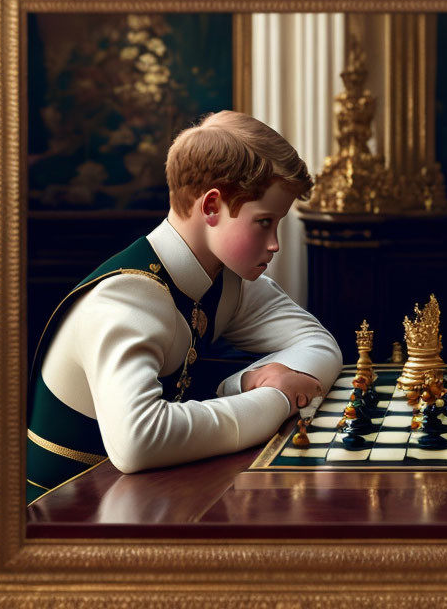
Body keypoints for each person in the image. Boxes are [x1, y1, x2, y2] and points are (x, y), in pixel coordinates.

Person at [26, 111, 342, 505]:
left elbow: (320, 345)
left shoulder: (228, 282)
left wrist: (245, 382)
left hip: (146, 500)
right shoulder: (124, 299)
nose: (275, 243)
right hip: (62, 522)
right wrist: (276, 398)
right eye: (264, 222)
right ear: (211, 207)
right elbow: (139, 442)